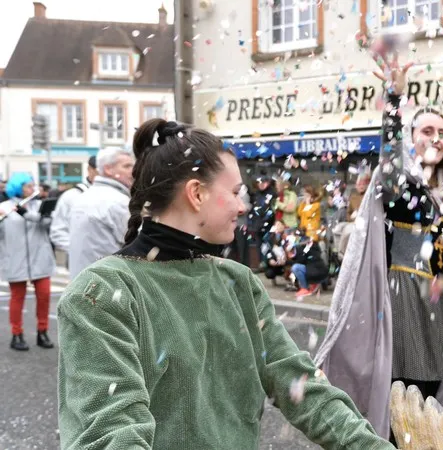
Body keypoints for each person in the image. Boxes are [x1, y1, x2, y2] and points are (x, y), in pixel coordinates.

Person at [56, 119, 392, 449]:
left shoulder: (237, 281)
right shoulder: (101, 293)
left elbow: (302, 387)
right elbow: (111, 431)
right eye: (234, 192)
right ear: (196, 194)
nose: (242, 206)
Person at [315, 45, 443, 440]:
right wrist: (394, 99)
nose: (436, 138)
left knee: (428, 401)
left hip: (435, 309)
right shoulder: (403, 186)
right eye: (426, 131)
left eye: (442, 132)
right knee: (399, 399)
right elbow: (389, 158)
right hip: (402, 301)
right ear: (411, 138)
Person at [2, 173, 56, 351]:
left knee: (44, 295)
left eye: (33, 185)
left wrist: (27, 214)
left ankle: (43, 332)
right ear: (18, 188)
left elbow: (49, 223)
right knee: (17, 298)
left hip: (40, 258)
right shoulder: (4, 207)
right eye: (28, 186)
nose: (33, 189)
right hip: (15, 258)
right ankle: (16, 334)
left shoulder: (41, 205)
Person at [67, 148, 134, 279]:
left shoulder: (83, 197)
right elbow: (135, 246)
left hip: (82, 281)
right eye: (127, 166)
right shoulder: (118, 202)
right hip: (107, 284)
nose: (133, 171)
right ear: (108, 169)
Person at [50, 155, 98, 258]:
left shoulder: (120, 195)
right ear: (90, 170)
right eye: (99, 170)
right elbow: (58, 231)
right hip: (82, 261)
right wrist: (81, 249)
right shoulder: (72, 195)